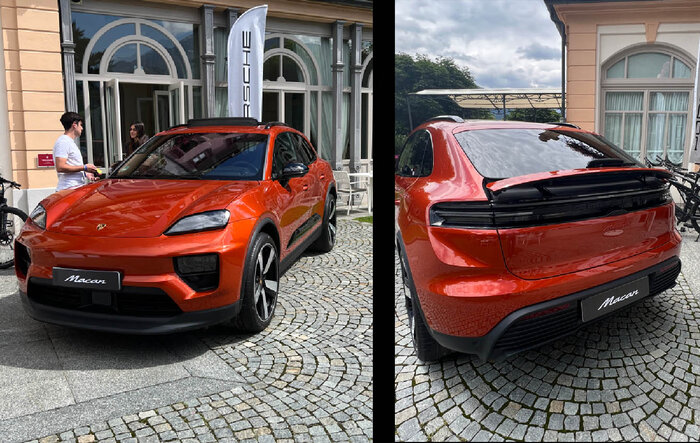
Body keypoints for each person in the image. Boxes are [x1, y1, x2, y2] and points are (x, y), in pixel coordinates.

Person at [53, 112, 98, 191]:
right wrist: (84, 167)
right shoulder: (63, 142)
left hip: (74, 188)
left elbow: (71, 165)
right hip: (68, 189)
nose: (82, 128)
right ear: (74, 125)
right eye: (80, 125)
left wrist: (85, 174)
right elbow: (60, 167)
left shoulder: (69, 142)